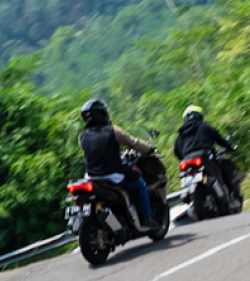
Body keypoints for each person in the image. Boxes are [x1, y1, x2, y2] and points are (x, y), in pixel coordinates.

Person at [78, 99, 158, 230]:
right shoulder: (113, 131)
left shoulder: (82, 136)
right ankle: (147, 217)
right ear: (102, 114)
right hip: (113, 176)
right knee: (140, 184)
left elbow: (97, 151)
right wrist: (149, 149)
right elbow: (134, 143)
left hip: (92, 178)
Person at [174, 105, 241, 204]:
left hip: (187, 161)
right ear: (199, 116)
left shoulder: (181, 134)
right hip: (204, 157)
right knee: (226, 168)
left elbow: (177, 151)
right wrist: (229, 147)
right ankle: (231, 195)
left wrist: (184, 157)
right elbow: (219, 139)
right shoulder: (204, 126)